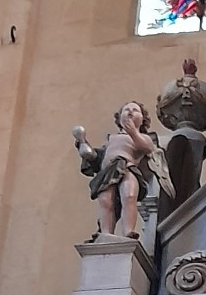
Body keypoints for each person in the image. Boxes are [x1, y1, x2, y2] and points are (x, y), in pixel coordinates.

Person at [72, 101, 174, 239]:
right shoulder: (112, 138)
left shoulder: (144, 138)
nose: (130, 112)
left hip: (128, 168)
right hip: (108, 170)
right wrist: (84, 146)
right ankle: (106, 233)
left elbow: (147, 148)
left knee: (129, 196)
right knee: (106, 201)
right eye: (126, 110)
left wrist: (133, 132)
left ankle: (128, 231)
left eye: (135, 110)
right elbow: (99, 157)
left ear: (143, 119)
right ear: (119, 118)